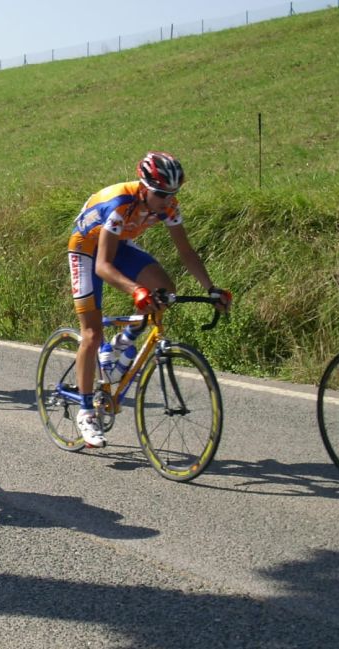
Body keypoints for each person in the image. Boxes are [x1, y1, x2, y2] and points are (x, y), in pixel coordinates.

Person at [66, 152, 231, 448]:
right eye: (161, 194)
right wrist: (135, 290)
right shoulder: (119, 204)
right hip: (85, 250)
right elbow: (102, 266)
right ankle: (86, 412)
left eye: (173, 194)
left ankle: (122, 341)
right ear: (144, 188)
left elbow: (186, 251)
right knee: (91, 333)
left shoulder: (169, 207)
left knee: (164, 289)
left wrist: (211, 288)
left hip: (118, 244)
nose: (167, 200)